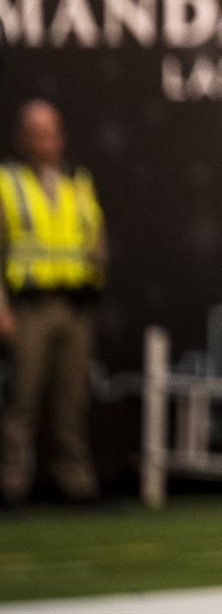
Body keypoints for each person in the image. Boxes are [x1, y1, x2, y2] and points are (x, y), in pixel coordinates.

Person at [0, 99, 104, 507]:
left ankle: (76, 484)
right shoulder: (8, 182)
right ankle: (11, 485)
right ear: (22, 137)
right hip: (29, 306)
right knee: (21, 399)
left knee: (72, 400)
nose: (47, 140)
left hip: (74, 305)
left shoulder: (77, 181)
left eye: (52, 130)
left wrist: (96, 278)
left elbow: (95, 235)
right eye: (37, 132)